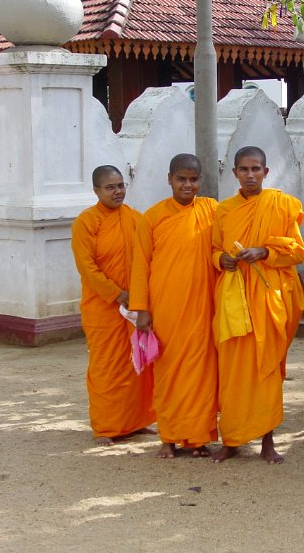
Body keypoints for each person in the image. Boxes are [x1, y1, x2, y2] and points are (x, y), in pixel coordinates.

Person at [211, 146, 304, 464]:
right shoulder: (223, 211)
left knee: (267, 370)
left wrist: (265, 252)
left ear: (266, 172)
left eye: (256, 169)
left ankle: (268, 440)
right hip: (234, 297)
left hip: (268, 299)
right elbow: (212, 251)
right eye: (244, 169)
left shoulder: (282, 205)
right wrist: (221, 258)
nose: (250, 175)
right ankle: (232, 439)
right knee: (233, 371)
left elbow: (297, 252)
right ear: (235, 173)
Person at [130, 154, 219, 459]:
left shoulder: (211, 210)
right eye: (181, 179)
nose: (187, 184)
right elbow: (140, 266)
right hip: (165, 306)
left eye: (193, 179)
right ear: (169, 179)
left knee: (202, 373)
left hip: (203, 305)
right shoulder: (152, 218)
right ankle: (168, 436)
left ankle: (197, 437)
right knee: (167, 373)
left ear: (200, 181)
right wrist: (141, 309)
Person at [71, 165, 155, 446]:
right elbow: (87, 267)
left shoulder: (135, 218)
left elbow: (147, 259)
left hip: (134, 306)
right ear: (96, 191)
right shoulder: (86, 222)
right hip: (103, 306)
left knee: (137, 364)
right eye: (110, 187)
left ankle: (136, 420)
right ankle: (106, 426)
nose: (118, 191)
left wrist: (140, 296)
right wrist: (117, 293)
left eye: (120, 185)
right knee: (106, 366)